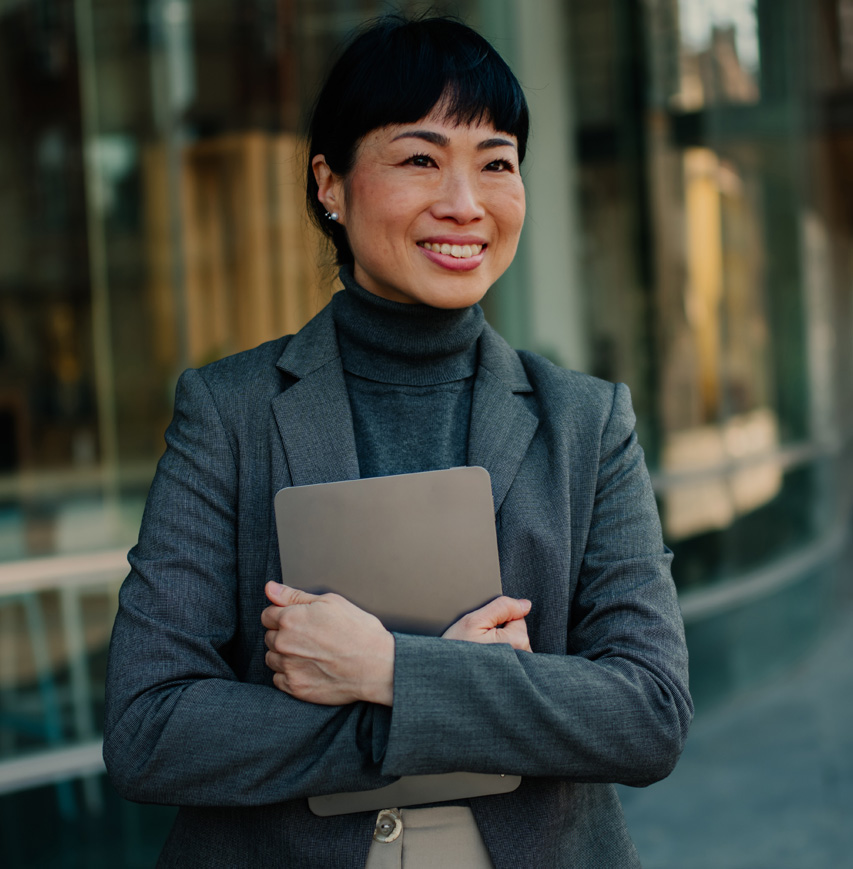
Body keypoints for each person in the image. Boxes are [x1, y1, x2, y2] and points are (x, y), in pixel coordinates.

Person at [103, 15, 692, 869]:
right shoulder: (226, 413)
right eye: (419, 159)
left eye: (495, 163)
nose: (464, 202)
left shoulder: (586, 422)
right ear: (329, 184)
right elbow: (148, 728)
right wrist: (454, 703)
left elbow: (647, 715)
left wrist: (386, 670)